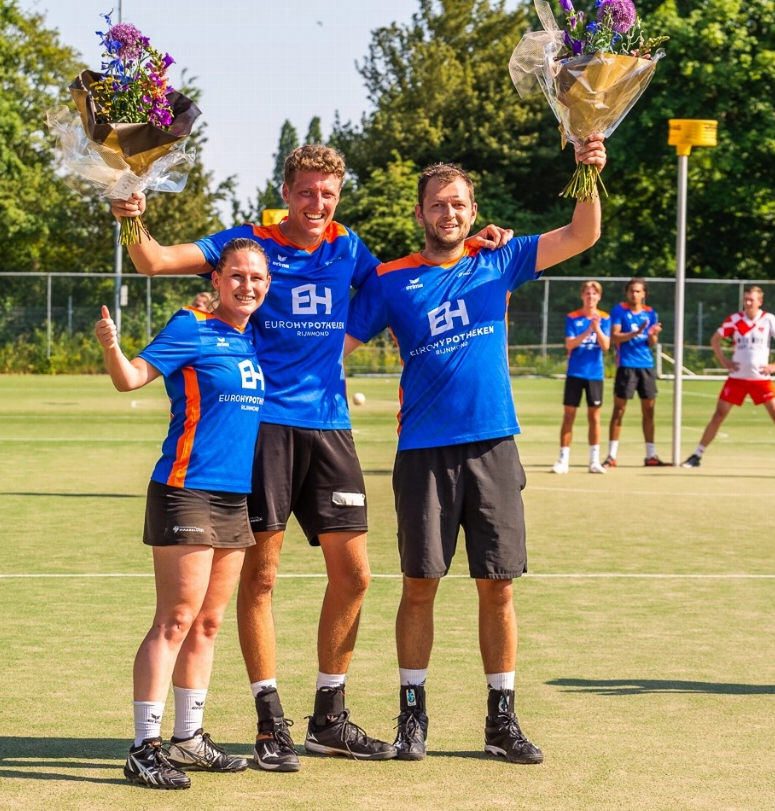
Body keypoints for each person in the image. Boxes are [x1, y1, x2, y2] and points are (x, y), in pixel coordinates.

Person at [110, 144, 511, 769]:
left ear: (339, 195)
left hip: (330, 428)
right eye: (306, 192)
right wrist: (132, 215)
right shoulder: (247, 241)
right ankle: (271, 723)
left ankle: (329, 715)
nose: (317, 204)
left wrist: (473, 245)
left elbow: (409, 276)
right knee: (261, 578)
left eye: (328, 193)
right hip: (265, 429)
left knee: (354, 575)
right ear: (286, 190)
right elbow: (154, 260)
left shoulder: (348, 248)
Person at [343, 134, 607, 765]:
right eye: (438, 205)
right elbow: (333, 349)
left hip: (492, 446)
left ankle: (501, 720)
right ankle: (412, 717)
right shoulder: (390, 281)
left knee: (498, 588)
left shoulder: (500, 259)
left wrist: (590, 171)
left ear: (472, 208)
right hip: (424, 454)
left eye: (459, 204)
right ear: (420, 213)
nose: (450, 214)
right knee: (419, 585)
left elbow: (582, 234)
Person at [96, 239, 270, 790]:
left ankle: (188, 738)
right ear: (217, 280)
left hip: (232, 497)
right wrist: (111, 347)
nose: (248, 286)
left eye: (258, 279)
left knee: (209, 623)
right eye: (237, 276)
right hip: (185, 490)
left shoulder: (251, 339)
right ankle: (143, 747)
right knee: (174, 620)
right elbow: (130, 379)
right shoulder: (191, 327)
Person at [681, 286, 775, 470]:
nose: (748, 303)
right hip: (737, 378)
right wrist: (724, 361)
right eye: (746, 299)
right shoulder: (735, 320)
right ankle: (697, 455)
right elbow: (715, 340)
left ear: (760, 301)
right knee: (718, 416)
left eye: (752, 299)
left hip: (761, 379)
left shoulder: (768, 320)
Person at [603, 278, 665, 468]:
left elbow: (651, 343)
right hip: (626, 366)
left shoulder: (650, 313)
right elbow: (614, 337)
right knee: (619, 410)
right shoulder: (619, 310)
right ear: (627, 292)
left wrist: (653, 335)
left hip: (646, 365)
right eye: (632, 291)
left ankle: (650, 455)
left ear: (644, 293)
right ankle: (611, 456)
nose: (634, 294)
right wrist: (636, 332)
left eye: (638, 291)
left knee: (649, 411)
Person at [551, 281, 610, 474]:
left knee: (594, 416)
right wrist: (588, 330)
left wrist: (597, 328)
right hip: (575, 373)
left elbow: (606, 346)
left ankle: (594, 461)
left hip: (594, 374)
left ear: (599, 297)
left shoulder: (605, 318)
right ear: (582, 296)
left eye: (594, 294)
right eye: (587, 293)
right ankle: (563, 460)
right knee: (569, 415)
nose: (590, 297)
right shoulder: (573, 317)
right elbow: (570, 344)